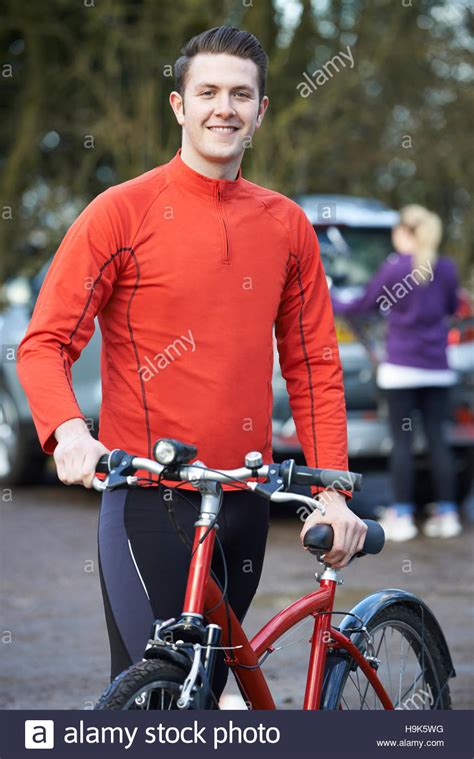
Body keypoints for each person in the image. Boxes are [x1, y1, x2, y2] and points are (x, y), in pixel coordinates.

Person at [16, 26, 367, 701]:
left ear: (261, 111)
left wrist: (333, 491)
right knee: (151, 695)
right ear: (179, 105)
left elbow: (315, 367)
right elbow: (46, 342)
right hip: (148, 502)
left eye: (241, 94)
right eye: (207, 91)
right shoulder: (120, 211)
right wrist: (68, 431)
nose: (223, 108)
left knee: (207, 697)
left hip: (243, 504)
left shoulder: (286, 224)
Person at [332, 204, 461, 542]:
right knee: (438, 440)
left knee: (402, 442)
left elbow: (363, 305)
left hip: (401, 369)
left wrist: (327, 297)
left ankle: (402, 516)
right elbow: (451, 308)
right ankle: (447, 515)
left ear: (405, 233)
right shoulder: (445, 268)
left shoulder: (395, 268)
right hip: (437, 369)